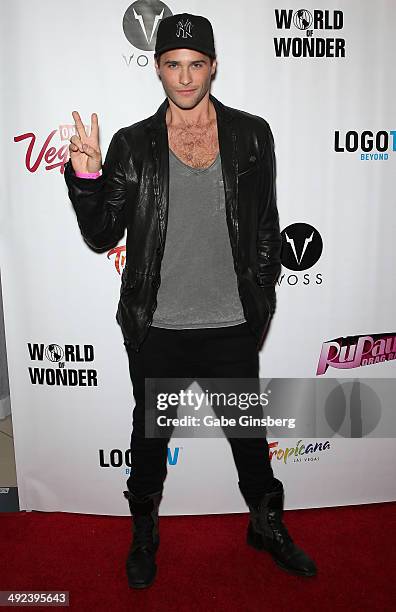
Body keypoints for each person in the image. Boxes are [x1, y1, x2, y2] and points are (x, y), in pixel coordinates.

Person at [64, 12, 317, 589]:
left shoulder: (253, 134)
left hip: (231, 325)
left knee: (250, 441)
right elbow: (103, 234)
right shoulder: (132, 144)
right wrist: (86, 180)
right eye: (173, 65)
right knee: (149, 441)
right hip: (159, 328)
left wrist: (262, 294)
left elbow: (266, 225)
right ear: (157, 68)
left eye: (195, 64)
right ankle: (144, 533)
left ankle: (266, 524)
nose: (184, 78)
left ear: (212, 66)